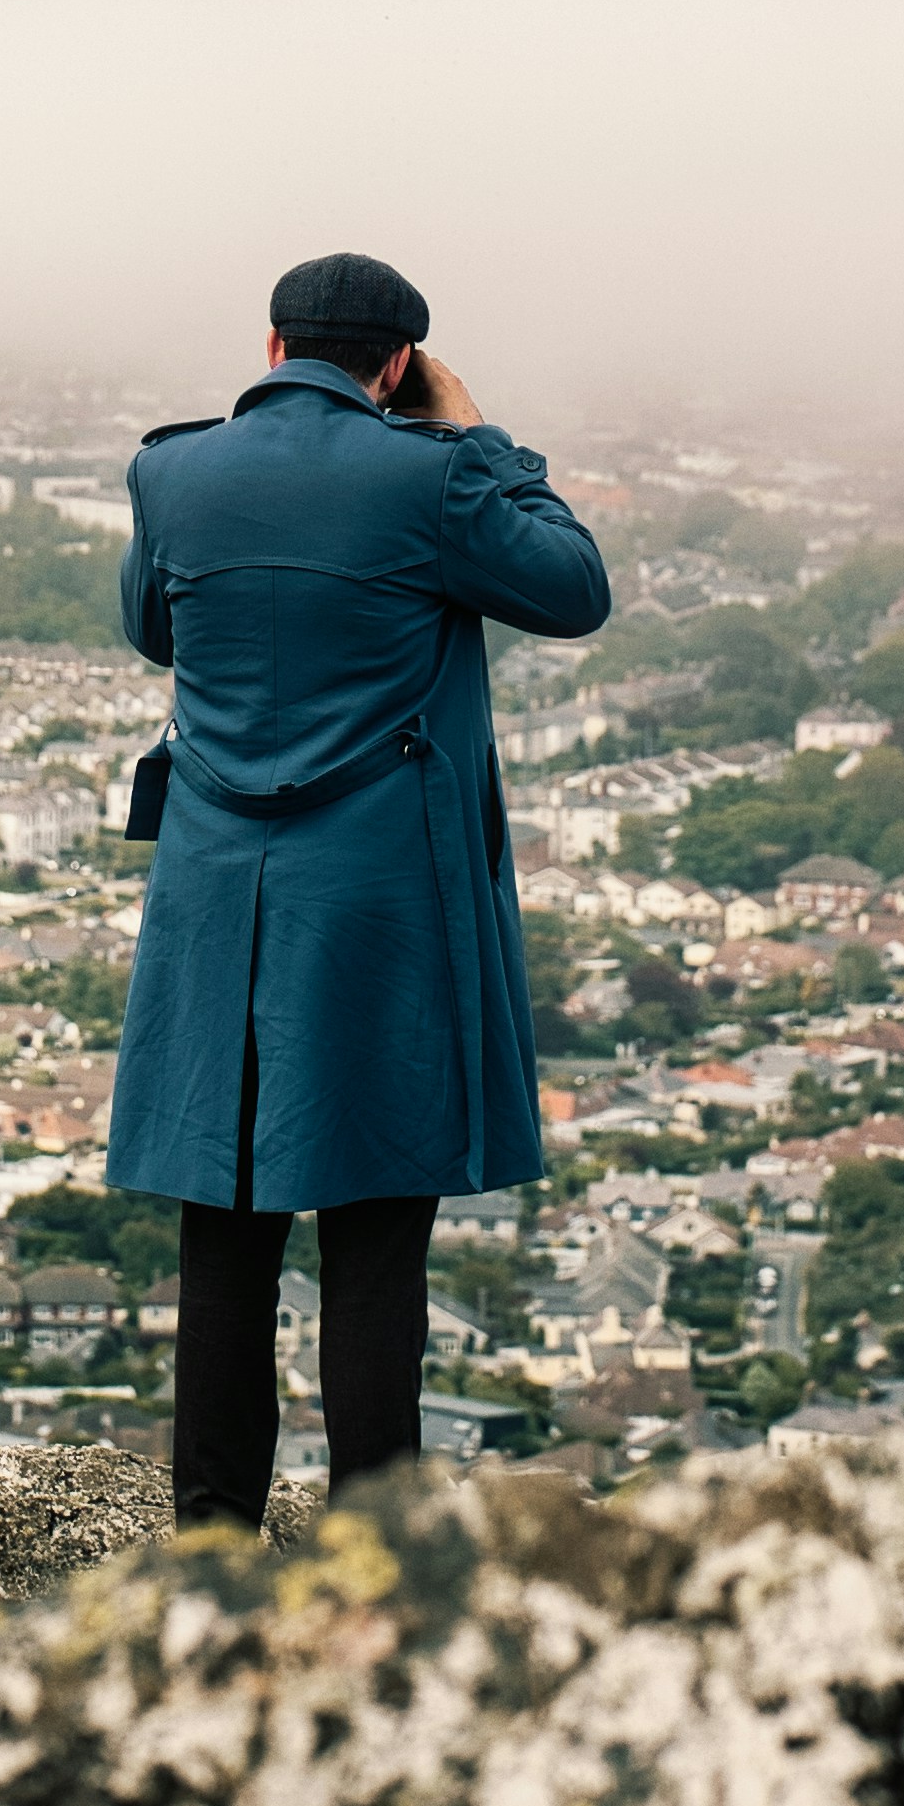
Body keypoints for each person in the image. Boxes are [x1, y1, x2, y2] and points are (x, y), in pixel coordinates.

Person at [104, 248, 614, 1529]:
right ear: (393, 365)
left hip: (218, 900)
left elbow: (154, 629)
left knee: (222, 1237)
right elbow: (573, 591)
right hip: (382, 903)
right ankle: (374, 1541)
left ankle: (210, 1542)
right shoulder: (432, 477)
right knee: (377, 1237)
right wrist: (477, 432)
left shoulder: (169, 471)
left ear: (271, 348)